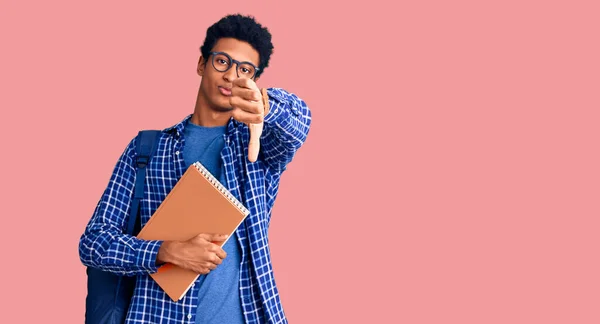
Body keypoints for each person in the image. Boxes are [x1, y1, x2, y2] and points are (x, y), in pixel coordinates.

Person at [78, 13, 311, 324]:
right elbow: (94, 242)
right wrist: (164, 252)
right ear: (202, 64)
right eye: (222, 62)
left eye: (245, 70)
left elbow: (300, 123)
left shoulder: (260, 147)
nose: (231, 76)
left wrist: (266, 107)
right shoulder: (147, 149)